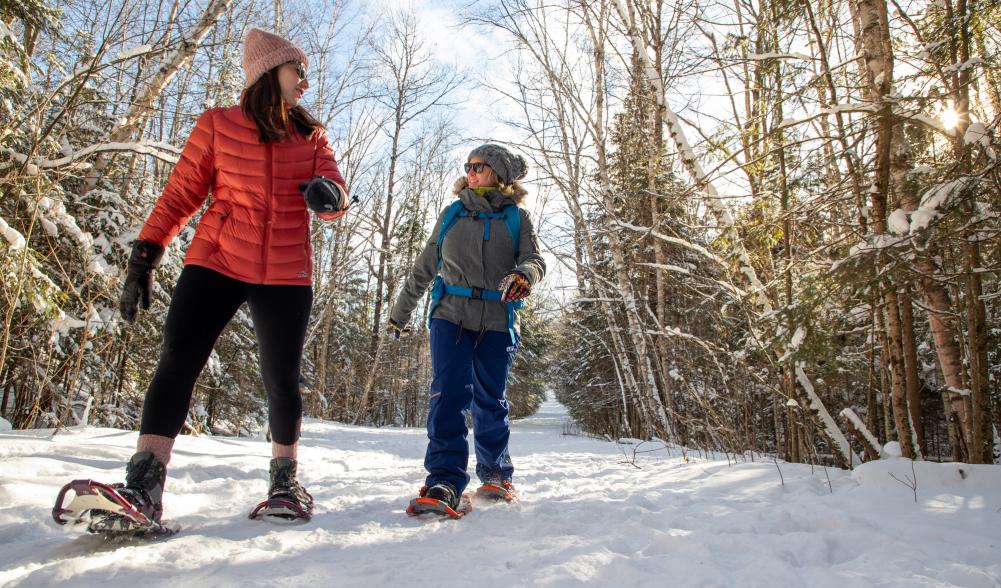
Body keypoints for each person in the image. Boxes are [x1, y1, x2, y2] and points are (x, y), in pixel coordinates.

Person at [111, 28, 349, 524]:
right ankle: (144, 485)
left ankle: (285, 483)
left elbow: (335, 191)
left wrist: (331, 196)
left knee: (281, 379)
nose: (305, 82)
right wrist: (146, 254)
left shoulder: (310, 137)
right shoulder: (217, 125)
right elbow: (180, 195)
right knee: (177, 359)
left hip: (285, 272)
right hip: (216, 259)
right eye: (297, 71)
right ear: (268, 71)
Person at [389, 144, 546, 515]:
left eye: (480, 166)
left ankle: (495, 473)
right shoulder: (452, 213)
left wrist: (525, 275)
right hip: (450, 315)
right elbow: (424, 266)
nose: (471, 171)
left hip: (498, 318)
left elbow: (534, 259)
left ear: (499, 174)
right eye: (468, 165)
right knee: (448, 395)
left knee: (490, 399)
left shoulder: (517, 218)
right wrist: (400, 313)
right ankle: (444, 480)